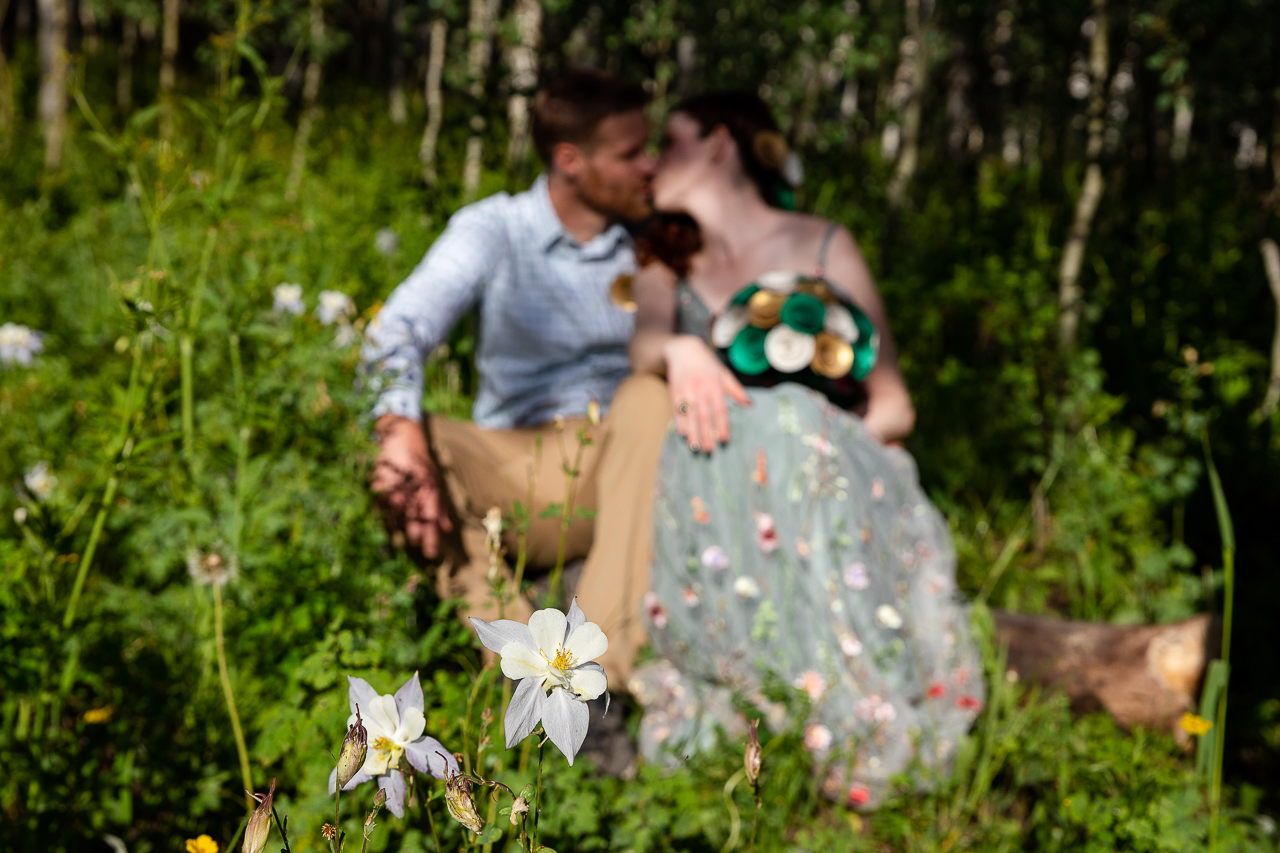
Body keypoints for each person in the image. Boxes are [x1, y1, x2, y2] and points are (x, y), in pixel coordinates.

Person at [621, 92, 986, 809]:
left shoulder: (822, 245)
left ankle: (847, 709)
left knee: (787, 418)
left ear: (720, 144)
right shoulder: (667, 256)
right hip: (717, 487)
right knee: (760, 426)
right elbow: (643, 349)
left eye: (670, 141)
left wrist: (801, 442)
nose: (653, 162)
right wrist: (685, 349)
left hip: (829, 474)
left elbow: (894, 405)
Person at [360, 69, 673, 667]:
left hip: (627, 461)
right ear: (570, 159)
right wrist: (397, 432)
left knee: (649, 396)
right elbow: (396, 329)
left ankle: (598, 675)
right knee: (395, 442)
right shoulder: (495, 229)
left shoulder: (658, 241)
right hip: (518, 468)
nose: (650, 165)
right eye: (631, 153)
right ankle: (525, 665)